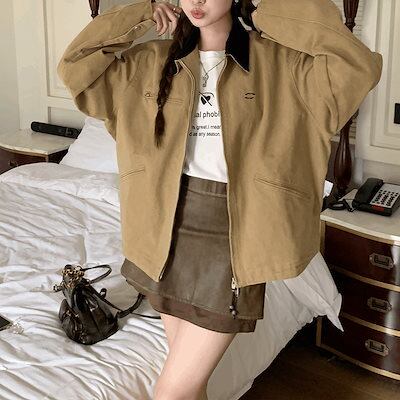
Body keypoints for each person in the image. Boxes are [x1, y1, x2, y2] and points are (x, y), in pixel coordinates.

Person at [57, 0, 382, 398]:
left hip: (233, 233)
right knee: (191, 387)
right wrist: (141, 13)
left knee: (171, 393)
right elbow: (75, 67)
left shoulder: (286, 66)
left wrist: (264, 10)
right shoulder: (150, 62)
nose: (196, 1)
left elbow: (356, 64)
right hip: (163, 231)